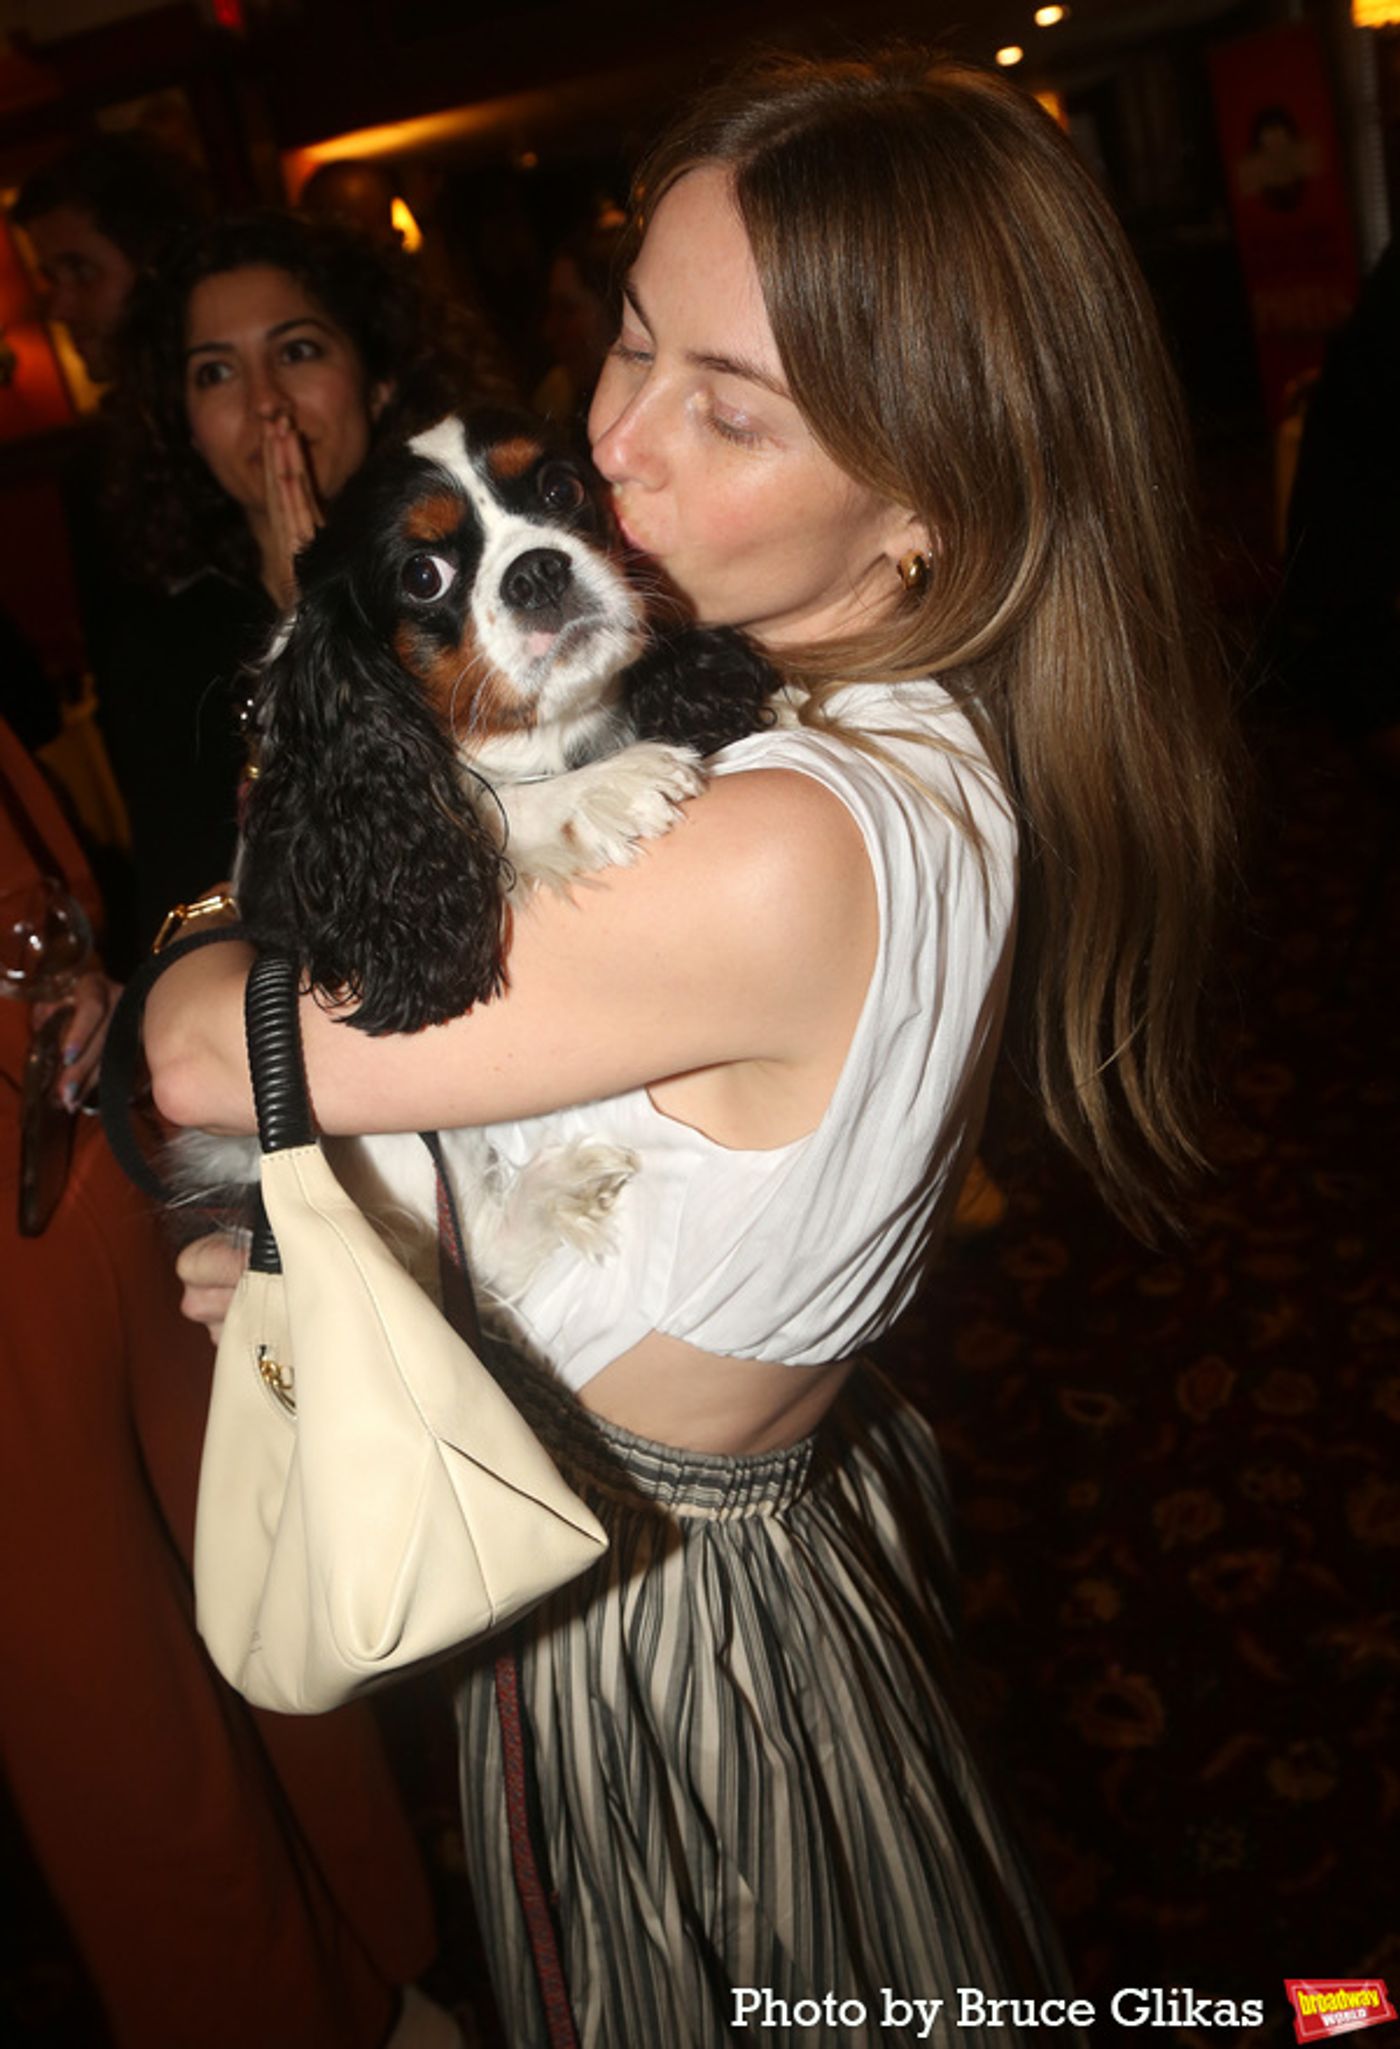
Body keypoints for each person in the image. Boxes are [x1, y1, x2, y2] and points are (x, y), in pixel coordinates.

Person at [147, 49, 1235, 2047]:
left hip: (651, 1633)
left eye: (725, 403)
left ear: (929, 493)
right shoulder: (860, 747)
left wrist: (205, 940)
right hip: (698, 1544)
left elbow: (206, 1056)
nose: (620, 446)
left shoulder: (771, 844)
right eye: (630, 342)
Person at [0, 717, 459, 2049]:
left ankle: (374, 1950)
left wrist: (72, 962)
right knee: (106, 1700)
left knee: (254, 1549)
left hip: (70, 1128)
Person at [99, 208, 501, 950]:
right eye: (215, 372)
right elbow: (182, 909)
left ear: (379, 382)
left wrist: (324, 624)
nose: (264, 402)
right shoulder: (160, 647)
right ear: (184, 423)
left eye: (298, 351)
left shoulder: (479, 572)